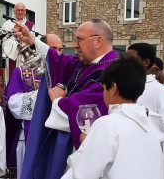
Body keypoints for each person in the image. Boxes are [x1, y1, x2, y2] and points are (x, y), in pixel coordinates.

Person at [13, 18, 119, 179]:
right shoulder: (86, 65)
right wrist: (33, 41)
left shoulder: (110, 72)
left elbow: (87, 111)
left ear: (98, 41)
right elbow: (59, 60)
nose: (75, 45)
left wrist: (58, 101)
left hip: (84, 153)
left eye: (79, 39)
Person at [61, 57, 164, 179]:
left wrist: (86, 145)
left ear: (113, 88)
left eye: (104, 88)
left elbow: (82, 174)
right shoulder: (151, 124)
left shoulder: (107, 125)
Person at [0, 33, 63, 179]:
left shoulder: (64, 75)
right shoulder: (23, 72)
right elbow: (14, 104)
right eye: (53, 49)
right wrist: (45, 97)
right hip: (30, 137)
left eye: (61, 50)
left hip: (56, 138)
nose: (58, 54)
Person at [125, 43, 164, 179]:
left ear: (146, 62)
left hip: (154, 154)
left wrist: (136, 118)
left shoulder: (159, 90)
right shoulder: (124, 86)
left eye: (131, 60)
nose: (126, 64)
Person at [2, 2, 35, 82]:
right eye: (18, 10)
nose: (20, 12)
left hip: (25, 56)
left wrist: (24, 43)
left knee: (25, 77)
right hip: (12, 56)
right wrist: (16, 44)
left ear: (25, 12)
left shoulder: (30, 25)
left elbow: (33, 40)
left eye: (22, 10)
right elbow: (3, 40)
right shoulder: (7, 24)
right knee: (12, 78)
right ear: (14, 11)